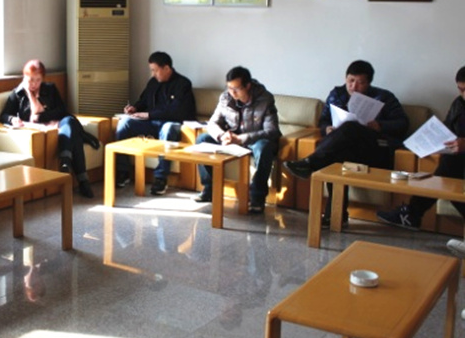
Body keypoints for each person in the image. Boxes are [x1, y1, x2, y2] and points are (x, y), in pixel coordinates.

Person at [285, 60, 409, 226]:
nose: (354, 86)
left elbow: (402, 124)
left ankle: (310, 163)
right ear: (345, 78)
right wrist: (327, 129)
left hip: (375, 148)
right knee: (335, 156)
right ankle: (336, 216)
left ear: (369, 83)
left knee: (350, 128)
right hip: (347, 149)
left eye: (360, 82)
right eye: (351, 81)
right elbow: (323, 121)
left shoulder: (384, 97)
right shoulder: (337, 94)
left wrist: (380, 125)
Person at [377, 66, 465, 230]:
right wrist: (436, 143)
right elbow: (446, 130)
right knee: (449, 170)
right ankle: (412, 213)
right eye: (461, 90)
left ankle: (412, 213)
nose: (464, 95)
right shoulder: (459, 104)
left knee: (448, 170)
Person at [0, 59, 100, 198]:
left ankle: (66, 160)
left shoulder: (50, 89)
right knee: (74, 136)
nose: (34, 84)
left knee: (69, 121)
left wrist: (41, 117)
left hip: (61, 125)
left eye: (38, 80)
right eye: (30, 80)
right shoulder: (18, 94)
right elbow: (4, 115)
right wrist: (12, 119)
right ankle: (82, 179)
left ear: (42, 79)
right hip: (44, 132)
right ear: (24, 77)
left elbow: (62, 110)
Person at [194, 66, 280, 213]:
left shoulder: (265, 99)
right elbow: (212, 123)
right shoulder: (225, 97)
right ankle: (209, 188)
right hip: (231, 139)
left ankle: (257, 197)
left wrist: (241, 139)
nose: (232, 93)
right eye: (229, 88)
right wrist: (222, 135)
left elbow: (271, 131)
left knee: (264, 147)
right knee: (202, 139)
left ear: (248, 86)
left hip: (254, 140)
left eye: (237, 89)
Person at [115, 51, 196, 195]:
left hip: (171, 123)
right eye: (151, 70)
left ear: (166, 68)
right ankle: (123, 171)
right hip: (151, 123)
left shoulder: (183, 84)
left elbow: (176, 111)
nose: (153, 74)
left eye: (155, 70)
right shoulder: (153, 82)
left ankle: (160, 178)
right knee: (124, 123)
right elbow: (143, 101)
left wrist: (149, 114)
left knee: (167, 129)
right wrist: (135, 108)